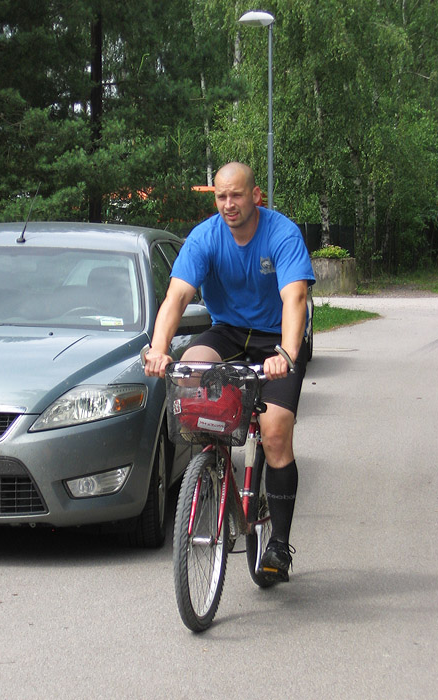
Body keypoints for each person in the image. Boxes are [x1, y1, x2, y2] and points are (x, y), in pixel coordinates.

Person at [145, 162, 315, 582]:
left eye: (236, 195)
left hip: (276, 338)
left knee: (274, 432)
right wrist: (160, 349)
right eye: (221, 196)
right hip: (228, 331)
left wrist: (287, 354)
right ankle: (212, 464)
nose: (228, 204)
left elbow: (295, 298)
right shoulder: (205, 237)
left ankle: (279, 545)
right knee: (193, 369)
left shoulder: (282, 234)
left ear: (255, 196)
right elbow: (176, 297)